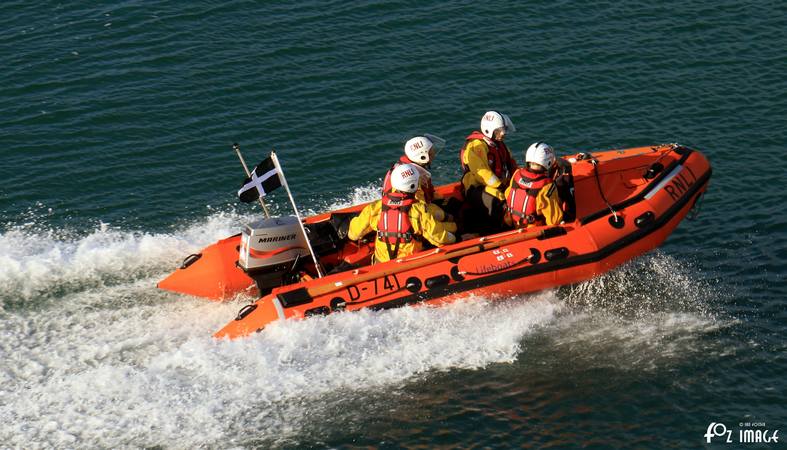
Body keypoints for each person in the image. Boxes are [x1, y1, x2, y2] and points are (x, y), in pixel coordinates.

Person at [349, 164, 456, 263]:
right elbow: (439, 238)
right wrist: (456, 236)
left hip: (380, 263)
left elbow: (354, 234)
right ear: (413, 185)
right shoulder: (418, 211)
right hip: (408, 263)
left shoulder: (374, 208)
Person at [459, 111, 519, 233]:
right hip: (476, 187)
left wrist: (519, 180)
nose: (503, 133)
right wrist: (500, 186)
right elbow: (481, 172)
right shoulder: (476, 146)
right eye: (499, 131)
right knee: (500, 201)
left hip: (496, 184)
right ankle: (502, 230)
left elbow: (511, 162)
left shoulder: (499, 145)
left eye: (503, 129)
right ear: (489, 130)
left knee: (514, 196)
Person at [382, 134, 457, 228]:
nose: (434, 154)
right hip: (412, 215)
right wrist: (447, 217)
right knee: (454, 216)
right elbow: (422, 208)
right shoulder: (414, 177)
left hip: (405, 209)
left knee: (453, 203)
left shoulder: (403, 168)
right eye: (431, 152)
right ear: (423, 156)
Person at [504, 142, 563, 228]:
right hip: (532, 228)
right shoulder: (546, 186)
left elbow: (507, 194)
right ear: (548, 162)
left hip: (512, 222)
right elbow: (554, 220)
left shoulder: (516, 174)